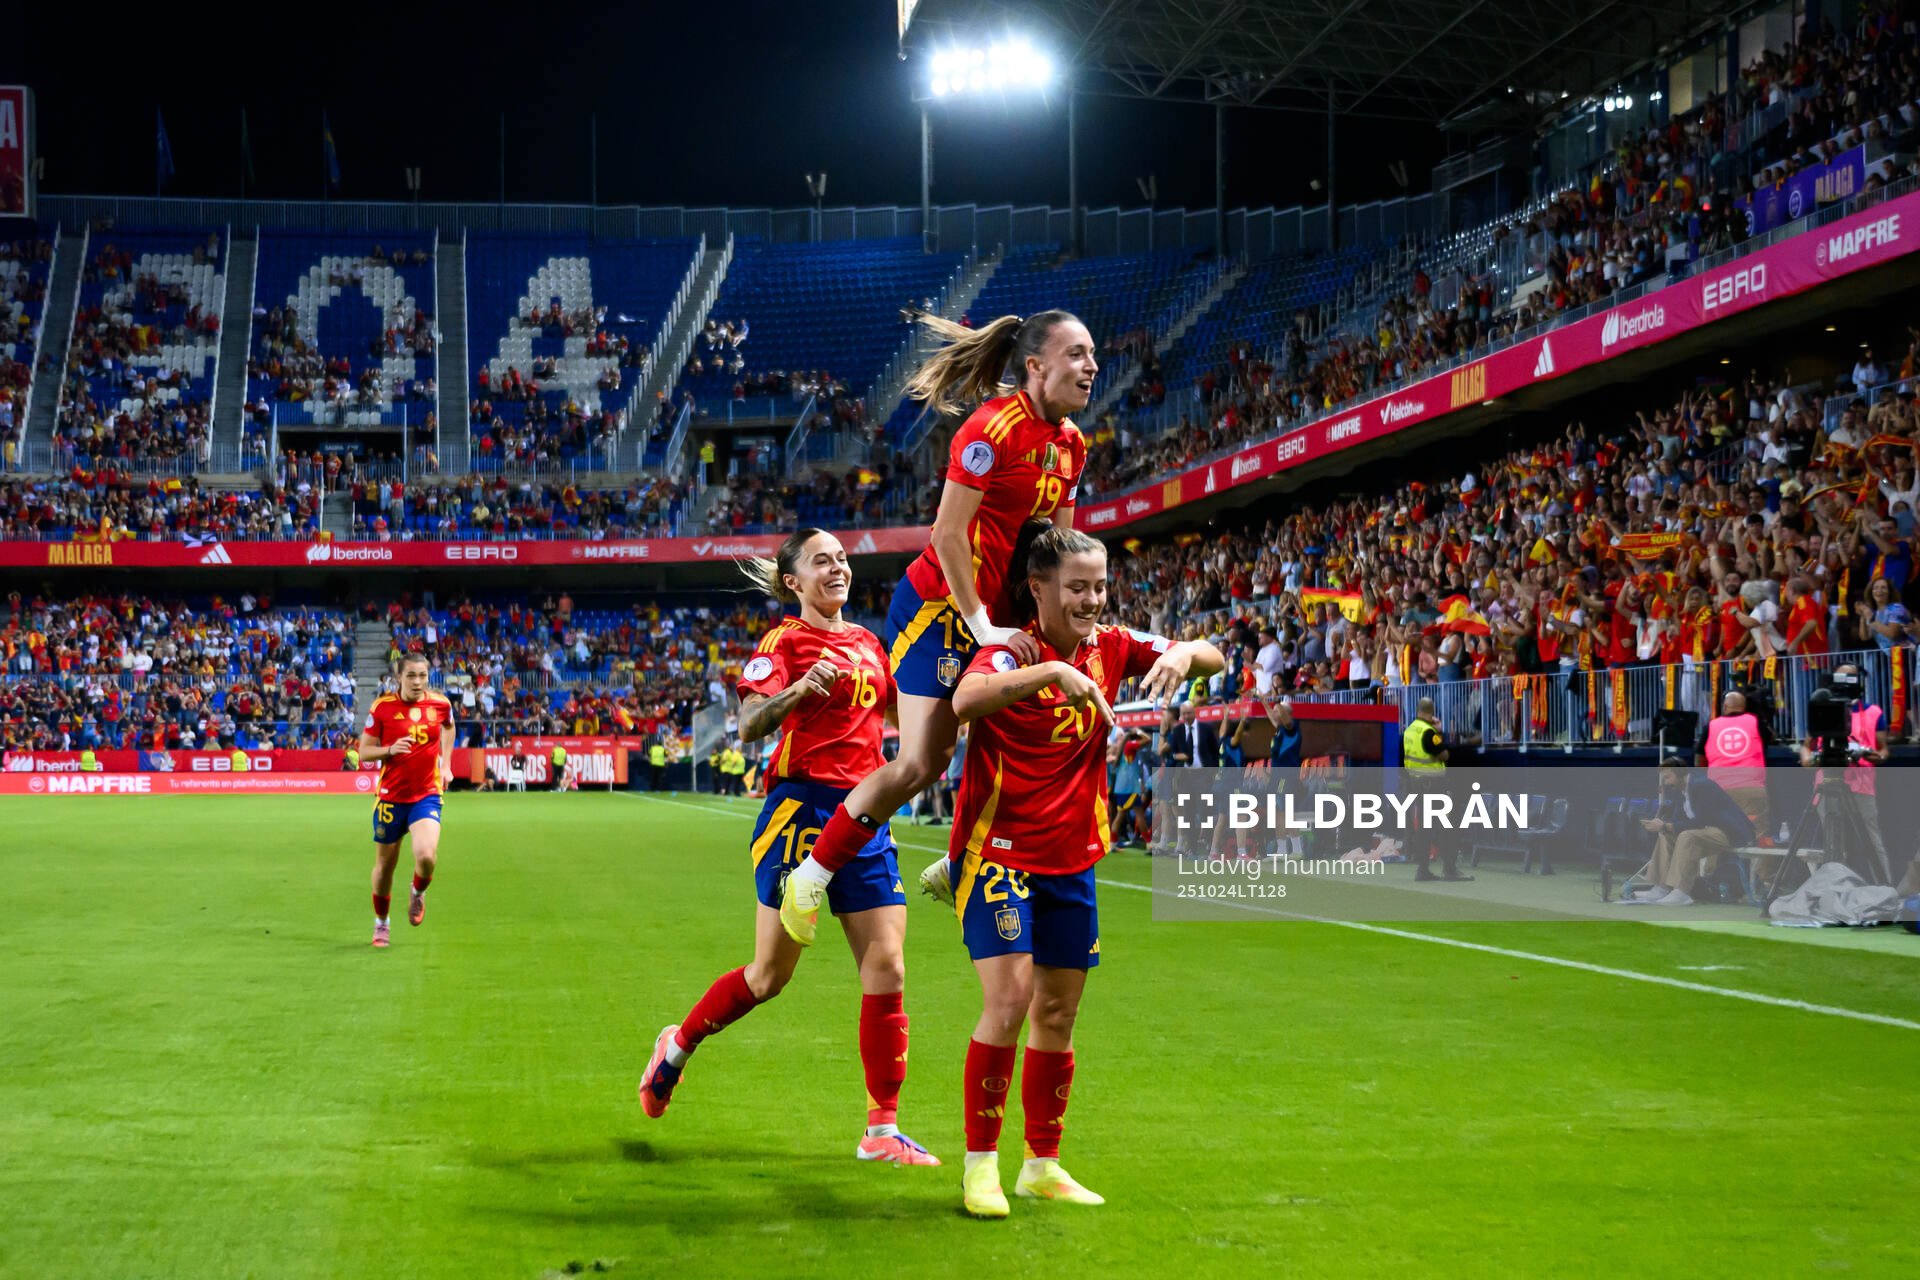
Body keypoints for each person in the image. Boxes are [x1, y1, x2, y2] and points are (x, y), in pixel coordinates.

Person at [925, 526, 1223, 1218]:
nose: (1091, 600)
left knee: (1058, 1012)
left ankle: (1043, 1164)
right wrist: (1054, 672)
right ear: (1039, 589)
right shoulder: (1010, 647)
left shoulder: (1113, 645)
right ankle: (980, 1167)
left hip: (1071, 857)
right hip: (996, 851)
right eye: (1078, 587)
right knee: (1009, 1001)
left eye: (1099, 586)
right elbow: (967, 702)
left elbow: (1213, 654)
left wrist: (1182, 651)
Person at [778, 311, 1098, 946]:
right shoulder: (990, 429)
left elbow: (1053, 553)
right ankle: (811, 874)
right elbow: (948, 535)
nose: (1091, 366)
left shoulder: (1072, 446)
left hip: (996, 616)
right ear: (1035, 366)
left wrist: (1064, 629)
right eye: (1077, 354)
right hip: (939, 609)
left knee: (1024, 728)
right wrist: (983, 628)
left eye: (1094, 355)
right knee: (925, 760)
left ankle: (958, 863)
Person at [638, 529, 939, 1167]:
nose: (837, 568)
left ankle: (881, 1132)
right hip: (800, 813)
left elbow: (905, 716)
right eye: (821, 561)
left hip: (866, 813)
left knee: (888, 967)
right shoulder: (783, 643)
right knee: (770, 976)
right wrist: (800, 690)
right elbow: (748, 724)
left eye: (842, 560)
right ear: (793, 583)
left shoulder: (867, 644)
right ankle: (676, 1046)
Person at [356, 653, 454, 948]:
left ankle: (418, 892)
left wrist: (446, 764)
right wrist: (389, 749)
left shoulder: (440, 704)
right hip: (391, 798)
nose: (418, 682)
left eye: (423, 676)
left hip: (426, 794)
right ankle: (381, 923)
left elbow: (448, 726)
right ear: (398, 677)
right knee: (385, 867)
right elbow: (364, 752)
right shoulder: (383, 708)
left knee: (426, 855)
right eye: (411, 676)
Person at [1624, 757, 1757, 905]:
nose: (1666, 782)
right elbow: (1678, 821)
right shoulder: (1681, 790)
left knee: (1687, 836)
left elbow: (1701, 821)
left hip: (1728, 832)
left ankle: (1682, 892)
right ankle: (1661, 888)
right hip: (1706, 831)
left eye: (1668, 777)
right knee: (1666, 836)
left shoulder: (1702, 785)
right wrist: (1664, 826)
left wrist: (1665, 826)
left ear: (1680, 773)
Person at [1404, 696, 1471, 881]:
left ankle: (1422, 870)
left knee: (1423, 828)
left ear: (1418, 711)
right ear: (1431, 714)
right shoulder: (1428, 732)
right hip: (1433, 785)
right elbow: (1443, 755)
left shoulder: (1409, 730)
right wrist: (1438, 732)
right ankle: (1450, 869)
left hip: (1415, 783)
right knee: (1448, 825)